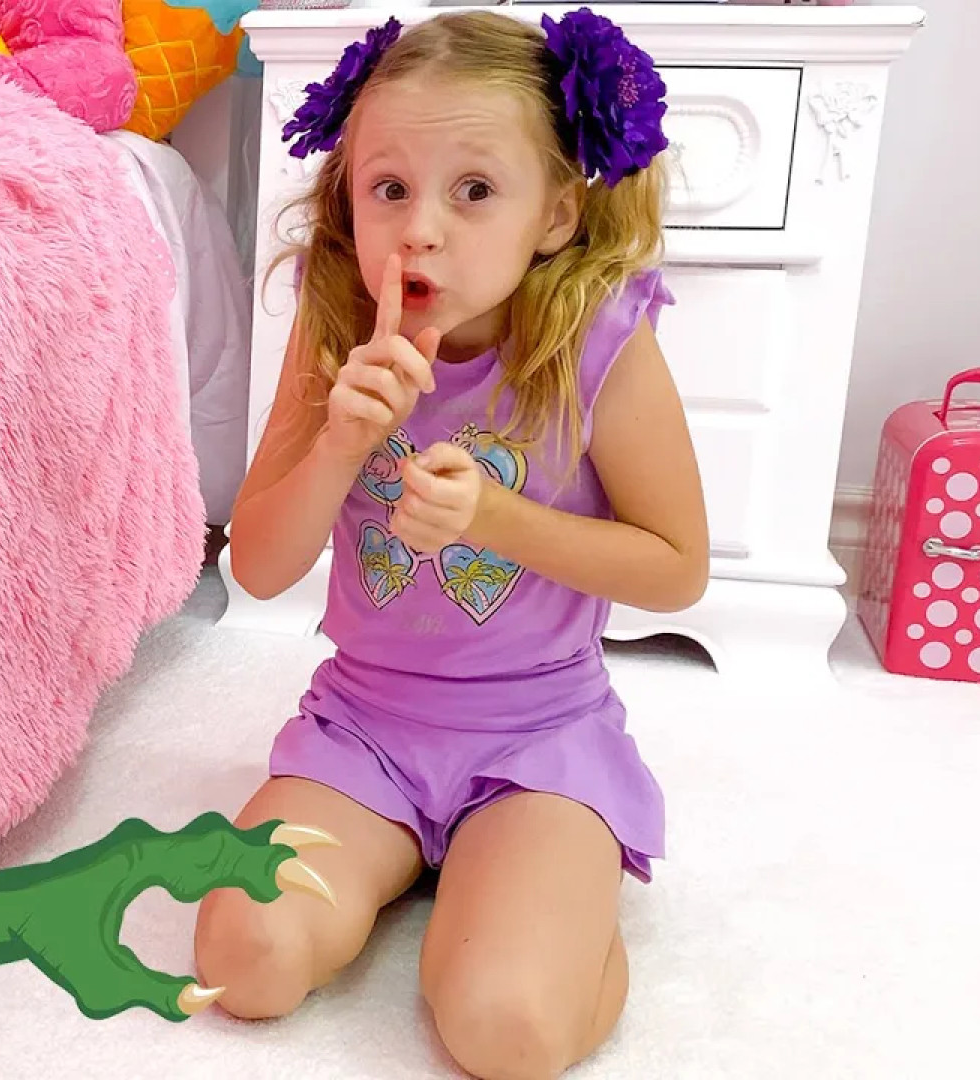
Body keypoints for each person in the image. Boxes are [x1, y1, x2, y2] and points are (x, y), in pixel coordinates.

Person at [193, 10, 709, 1080]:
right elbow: (259, 567)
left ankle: (552, 902)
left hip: (537, 741)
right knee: (245, 961)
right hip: (363, 731)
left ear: (556, 213)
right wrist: (340, 442)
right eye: (389, 187)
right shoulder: (337, 320)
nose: (419, 229)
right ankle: (430, 867)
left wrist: (496, 519)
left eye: (474, 190)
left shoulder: (600, 340)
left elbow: (676, 567)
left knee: (504, 1029)